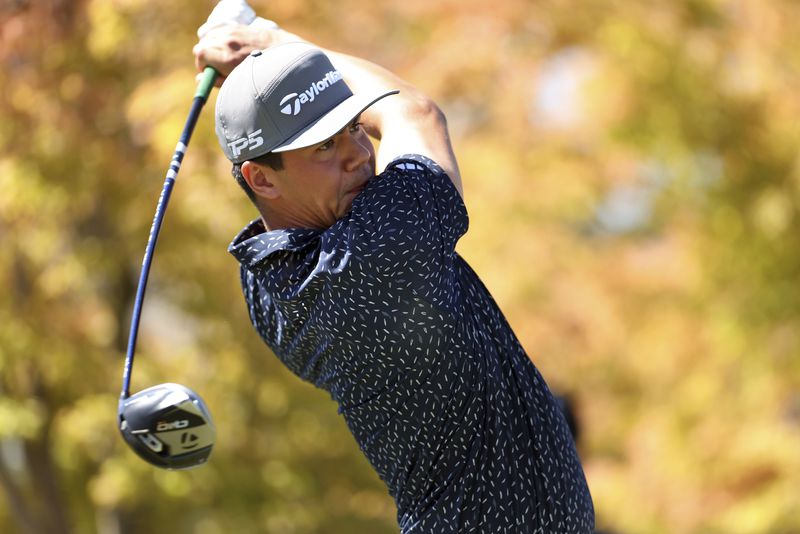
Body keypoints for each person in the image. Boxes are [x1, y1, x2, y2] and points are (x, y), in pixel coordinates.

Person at [193, 19, 594, 534]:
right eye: (324, 146)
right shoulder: (371, 256)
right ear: (261, 178)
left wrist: (277, 83)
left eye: (354, 126)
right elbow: (414, 112)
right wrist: (275, 45)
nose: (360, 153)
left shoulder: (267, 282)